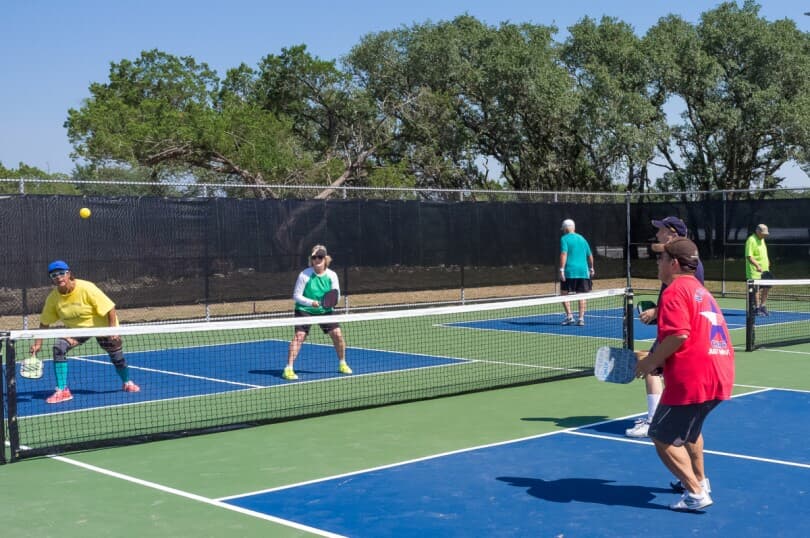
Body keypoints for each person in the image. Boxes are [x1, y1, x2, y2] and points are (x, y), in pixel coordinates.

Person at [634, 238, 734, 511]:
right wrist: (663, 363)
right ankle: (701, 480)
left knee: (661, 436)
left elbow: (679, 334)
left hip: (694, 377)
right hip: (720, 373)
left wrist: (650, 362)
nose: (658, 262)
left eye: (661, 258)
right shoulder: (701, 291)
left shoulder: (674, 290)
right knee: (690, 433)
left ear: (674, 263)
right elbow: (696, 336)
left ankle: (696, 492)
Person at [626, 216, 705, 439]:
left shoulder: (683, 264)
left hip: (678, 329)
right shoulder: (680, 258)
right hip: (674, 325)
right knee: (664, 375)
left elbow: (686, 299)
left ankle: (654, 421)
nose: (658, 234)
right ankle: (666, 421)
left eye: (661, 230)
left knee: (652, 368)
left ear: (672, 232)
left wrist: (656, 312)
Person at [29, 260, 140, 404]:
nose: (58, 277)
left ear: (69, 274)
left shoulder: (87, 288)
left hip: (103, 326)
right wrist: (38, 344)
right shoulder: (53, 298)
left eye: (61, 273)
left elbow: (110, 308)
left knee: (117, 358)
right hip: (78, 330)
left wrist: (113, 331)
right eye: (54, 275)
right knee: (59, 347)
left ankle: (127, 382)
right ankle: (62, 390)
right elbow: (44, 323)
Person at [283, 244, 352, 380]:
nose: (317, 260)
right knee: (300, 336)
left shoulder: (332, 275)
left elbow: (336, 295)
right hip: (304, 309)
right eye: (314, 257)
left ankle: (342, 363)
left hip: (325, 310)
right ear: (312, 259)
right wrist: (311, 302)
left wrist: (329, 303)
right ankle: (288, 369)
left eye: (320, 257)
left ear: (325, 259)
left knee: (337, 334)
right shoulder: (304, 275)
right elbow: (296, 296)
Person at [559, 219, 595, 326]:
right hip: (583, 272)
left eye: (563, 229)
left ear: (565, 229)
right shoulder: (582, 239)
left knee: (564, 294)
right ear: (573, 228)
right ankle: (581, 319)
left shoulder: (564, 238)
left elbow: (564, 254)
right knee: (582, 295)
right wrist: (592, 268)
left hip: (569, 271)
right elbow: (590, 255)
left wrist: (561, 269)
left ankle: (570, 316)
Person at [745, 223, 772, 316]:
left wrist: (767, 260)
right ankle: (756, 308)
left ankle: (763, 306)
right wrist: (757, 265)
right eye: (763, 233)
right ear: (757, 231)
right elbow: (749, 256)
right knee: (756, 289)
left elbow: (764, 252)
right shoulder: (751, 240)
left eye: (766, 233)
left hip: (765, 269)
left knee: (767, 287)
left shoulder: (762, 239)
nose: (765, 235)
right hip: (754, 270)